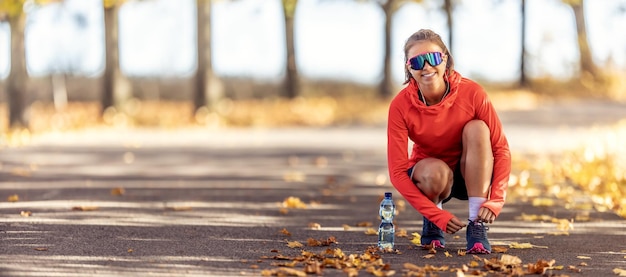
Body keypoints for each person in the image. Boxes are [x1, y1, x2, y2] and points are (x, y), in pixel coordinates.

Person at [386, 29, 511, 254]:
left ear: (445, 58)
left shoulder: (472, 93)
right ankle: (432, 224)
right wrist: (435, 214)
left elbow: (501, 149)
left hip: (471, 174)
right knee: (434, 170)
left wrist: (496, 200)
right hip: (432, 178)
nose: (426, 67)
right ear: (408, 66)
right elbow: (397, 172)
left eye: (432, 58)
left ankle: (477, 224)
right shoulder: (400, 105)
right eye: (417, 61)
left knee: (478, 128)